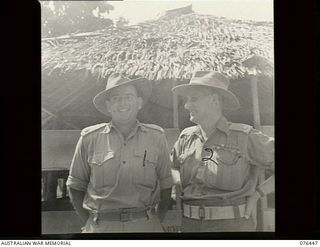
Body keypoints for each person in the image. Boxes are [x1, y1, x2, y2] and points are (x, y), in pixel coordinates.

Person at [66, 73, 173, 233]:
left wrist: (154, 221)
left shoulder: (156, 137)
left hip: (145, 225)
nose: (122, 103)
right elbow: (75, 186)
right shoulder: (90, 138)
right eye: (116, 98)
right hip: (101, 227)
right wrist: (91, 222)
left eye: (128, 97)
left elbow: (166, 186)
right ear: (108, 105)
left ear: (139, 102)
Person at [171, 71, 274, 232]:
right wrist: (176, 183)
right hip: (189, 225)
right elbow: (174, 166)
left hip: (232, 226)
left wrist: (257, 195)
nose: (187, 105)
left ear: (214, 100)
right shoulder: (186, 137)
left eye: (194, 99)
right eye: (187, 100)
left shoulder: (245, 137)